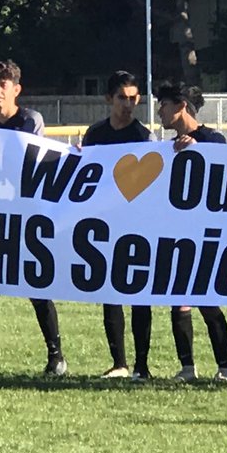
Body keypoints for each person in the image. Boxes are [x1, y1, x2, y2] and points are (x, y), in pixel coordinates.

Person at [0, 59, 68, 376]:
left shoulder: (29, 120)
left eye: (3, 85)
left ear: (16, 89)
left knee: (37, 287)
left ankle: (56, 357)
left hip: (27, 218)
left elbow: (30, 162)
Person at [156, 81, 227, 384]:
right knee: (179, 300)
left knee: (207, 301)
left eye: (164, 104)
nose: (160, 111)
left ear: (180, 107)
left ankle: (225, 368)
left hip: (206, 236)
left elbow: (224, 172)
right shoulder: (166, 146)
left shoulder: (211, 138)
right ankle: (187, 367)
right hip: (177, 235)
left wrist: (197, 151)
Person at [81, 70, 154, 380]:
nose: (128, 104)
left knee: (139, 294)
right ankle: (119, 362)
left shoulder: (143, 136)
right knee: (109, 292)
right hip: (106, 225)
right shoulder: (95, 135)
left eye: (133, 98)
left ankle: (142, 365)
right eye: (122, 98)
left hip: (138, 224)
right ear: (109, 99)